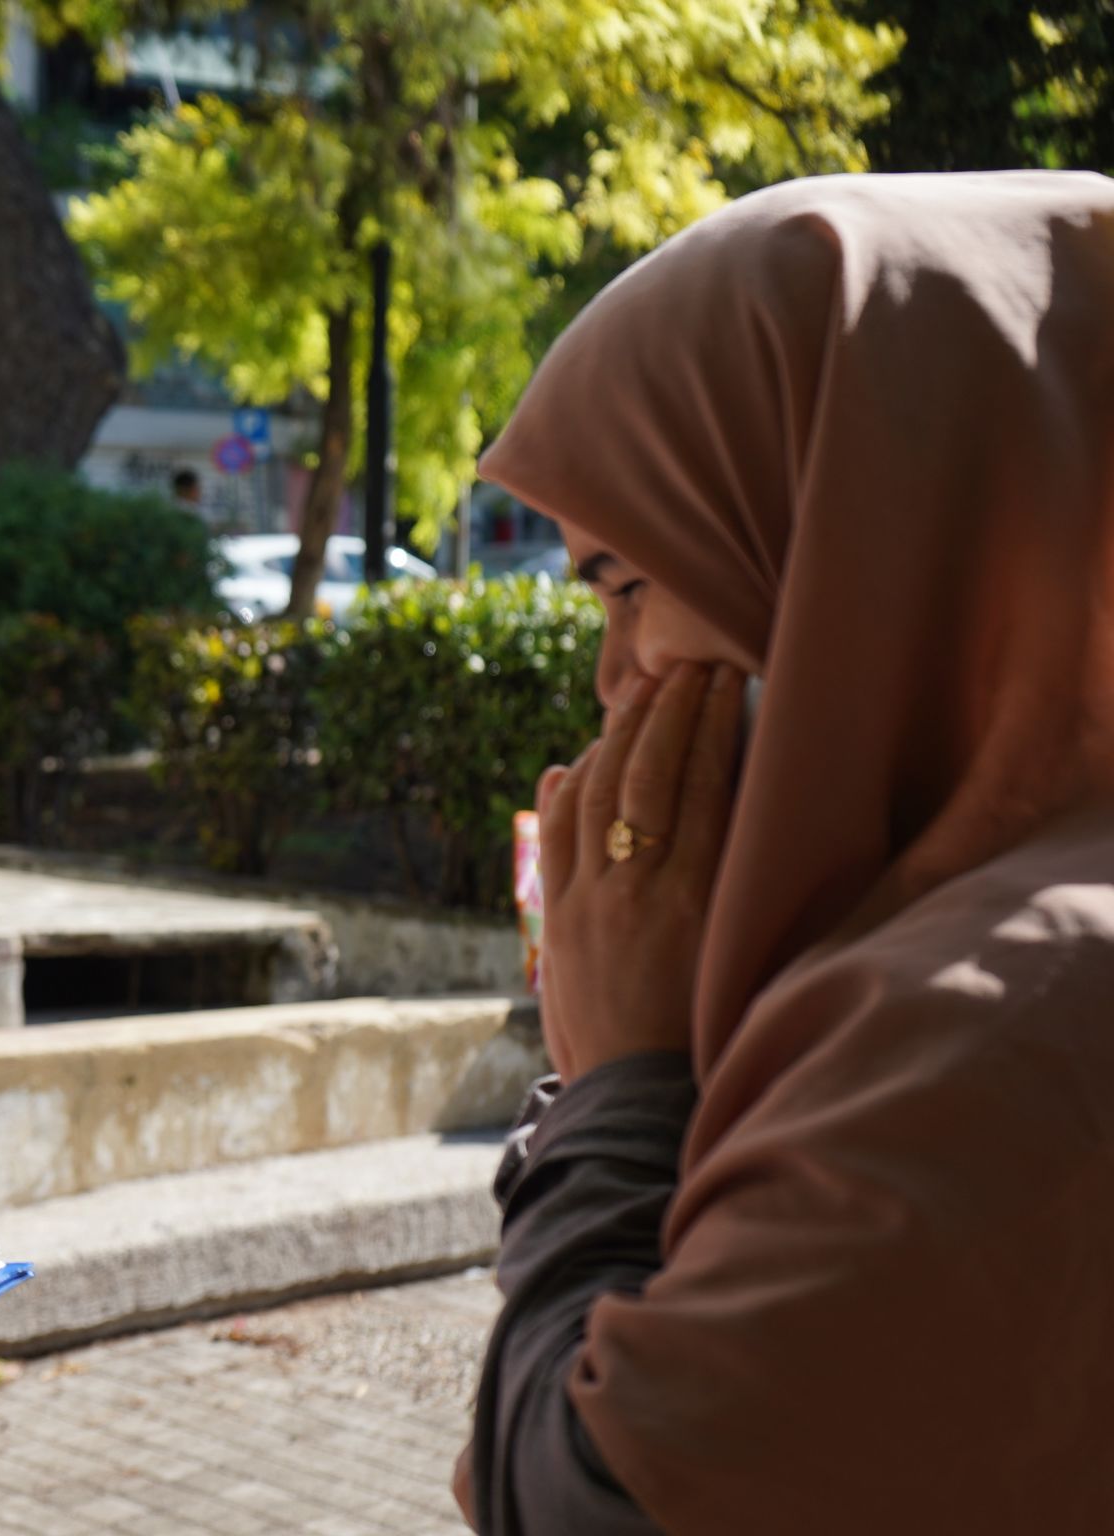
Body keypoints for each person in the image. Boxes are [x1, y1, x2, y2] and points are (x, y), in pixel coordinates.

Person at [455, 169, 1114, 1533]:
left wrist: (623, 1090)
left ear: (860, 545)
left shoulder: (983, 1028)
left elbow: (597, 1498)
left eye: (629, 582)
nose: (612, 679)